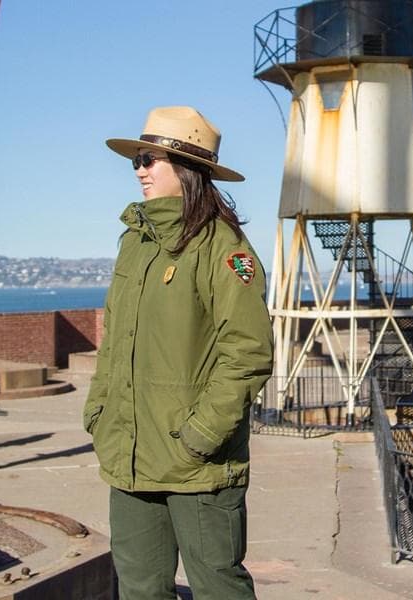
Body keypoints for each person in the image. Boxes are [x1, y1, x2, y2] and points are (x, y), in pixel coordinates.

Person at [85, 106, 273, 599]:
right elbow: (115, 345)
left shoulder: (225, 249)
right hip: (129, 454)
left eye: (151, 160)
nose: (140, 170)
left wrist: (201, 435)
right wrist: (99, 412)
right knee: (139, 588)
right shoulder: (134, 244)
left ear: (187, 170)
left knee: (218, 588)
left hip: (199, 464)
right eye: (137, 161)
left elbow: (248, 353)